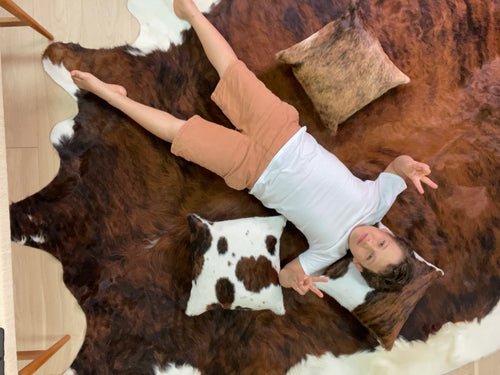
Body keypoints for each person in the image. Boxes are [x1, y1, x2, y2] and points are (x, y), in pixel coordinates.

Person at [70, 0, 438, 298]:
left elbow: (285, 275)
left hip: (252, 171)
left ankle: (110, 95)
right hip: (282, 132)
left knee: (178, 135)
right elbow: (398, 165)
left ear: (358, 265)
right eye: (380, 242)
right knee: (232, 70)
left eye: (369, 256)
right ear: (387, 232)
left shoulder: (327, 253)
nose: (368, 242)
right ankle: (192, 13)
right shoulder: (378, 202)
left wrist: (296, 280)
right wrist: (410, 168)